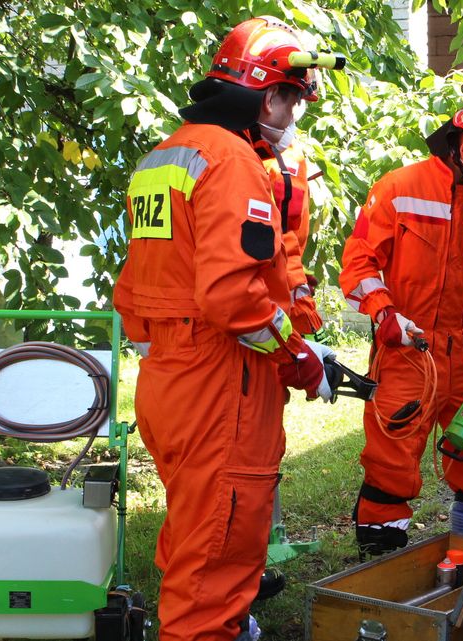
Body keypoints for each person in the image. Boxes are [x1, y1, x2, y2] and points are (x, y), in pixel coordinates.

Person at [112, 17, 340, 641]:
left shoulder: (162, 158)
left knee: (194, 529)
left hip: (168, 377)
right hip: (221, 385)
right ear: (268, 94)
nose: (293, 114)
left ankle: (221, 624)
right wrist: (299, 358)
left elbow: (137, 287)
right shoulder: (235, 163)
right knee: (218, 542)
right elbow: (231, 299)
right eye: (293, 98)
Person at [339, 94, 463, 552]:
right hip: (408, 349)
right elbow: (358, 265)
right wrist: (386, 314)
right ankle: (380, 566)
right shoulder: (398, 188)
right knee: (392, 462)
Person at [264, 136, 326, 339]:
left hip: (290, 283)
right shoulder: (280, 156)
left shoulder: (291, 155)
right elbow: (280, 234)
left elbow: (291, 234)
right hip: (273, 289)